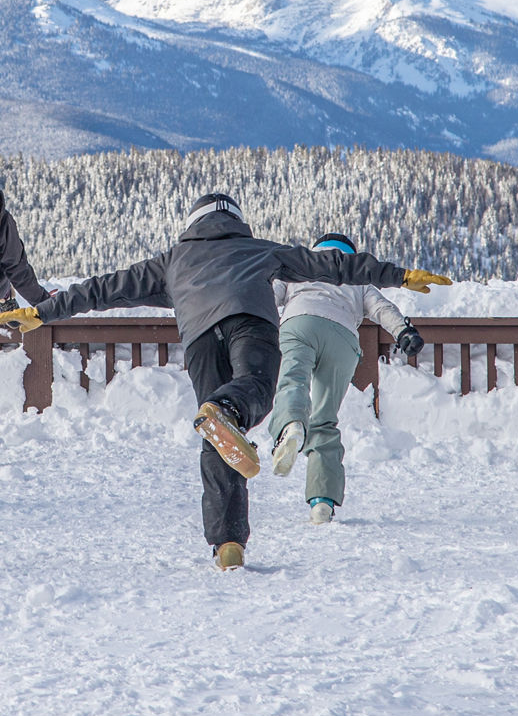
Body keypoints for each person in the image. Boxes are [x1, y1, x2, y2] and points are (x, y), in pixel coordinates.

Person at [5, 193, 451, 570]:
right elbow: (332, 264)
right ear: (237, 222)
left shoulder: (173, 260)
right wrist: (399, 275)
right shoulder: (258, 250)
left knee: (218, 438)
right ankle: (227, 414)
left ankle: (227, 543)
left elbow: (104, 288)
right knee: (254, 386)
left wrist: (43, 312)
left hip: (199, 338)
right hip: (250, 324)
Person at [267, 232, 427, 525]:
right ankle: (322, 501)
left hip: (299, 322)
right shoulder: (358, 276)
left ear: (317, 247)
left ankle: (290, 425)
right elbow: (382, 309)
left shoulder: (296, 266)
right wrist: (405, 332)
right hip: (341, 338)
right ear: (351, 252)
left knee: (293, 381)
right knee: (325, 419)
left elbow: (266, 296)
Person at [0, 190, 51, 313]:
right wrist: (45, 302)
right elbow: (17, 268)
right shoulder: (3, 222)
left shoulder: (3, 222)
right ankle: (6, 297)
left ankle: (6, 298)